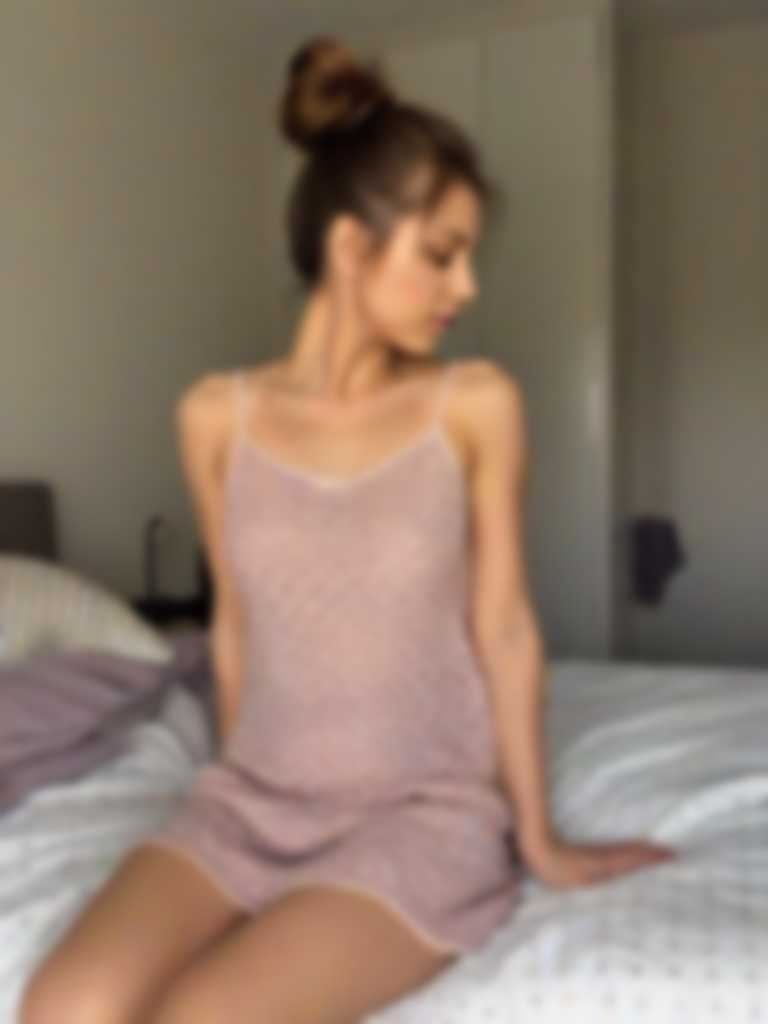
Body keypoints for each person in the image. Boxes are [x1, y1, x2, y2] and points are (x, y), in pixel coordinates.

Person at [20, 34, 678, 1024]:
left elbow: (504, 627)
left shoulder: (476, 403)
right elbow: (234, 623)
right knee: (60, 1008)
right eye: (442, 255)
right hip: (254, 799)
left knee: (202, 1016)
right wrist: (240, 773)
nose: (467, 288)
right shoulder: (215, 416)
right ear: (350, 247)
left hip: (419, 811)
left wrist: (538, 839)